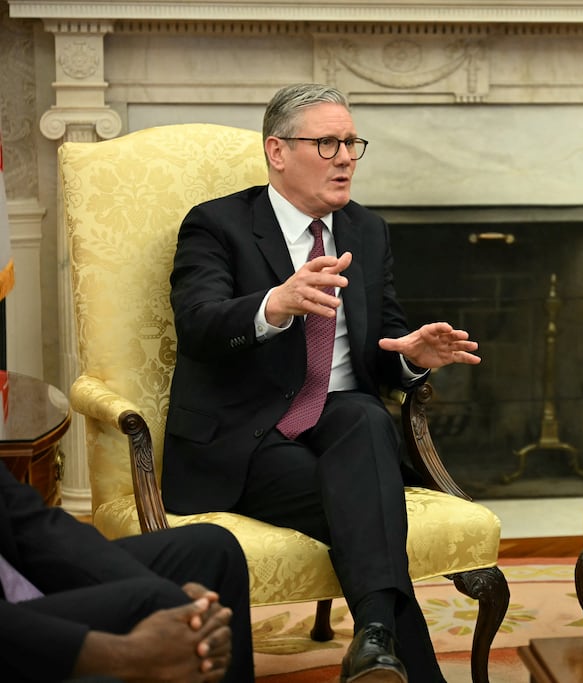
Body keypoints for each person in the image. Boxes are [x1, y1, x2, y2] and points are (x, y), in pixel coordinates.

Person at [162, 83, 481, 683]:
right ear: (277, 152)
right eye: (327, 143)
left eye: (352, 143)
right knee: (368, 510)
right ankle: (392, 649)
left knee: (363, 416)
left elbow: (382, 346)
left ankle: (376, 646)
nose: (345, 158)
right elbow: (198, 326)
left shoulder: (366, 230)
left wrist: (413, 356)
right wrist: (273, 306)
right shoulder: (217, 225)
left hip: (337, 421)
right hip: (246, 438)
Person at [0, 461, 253, 682]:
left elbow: (30, 521)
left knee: (212, 552)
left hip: (25, 580)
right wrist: (117, 655)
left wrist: (178, 600)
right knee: (157, 600)